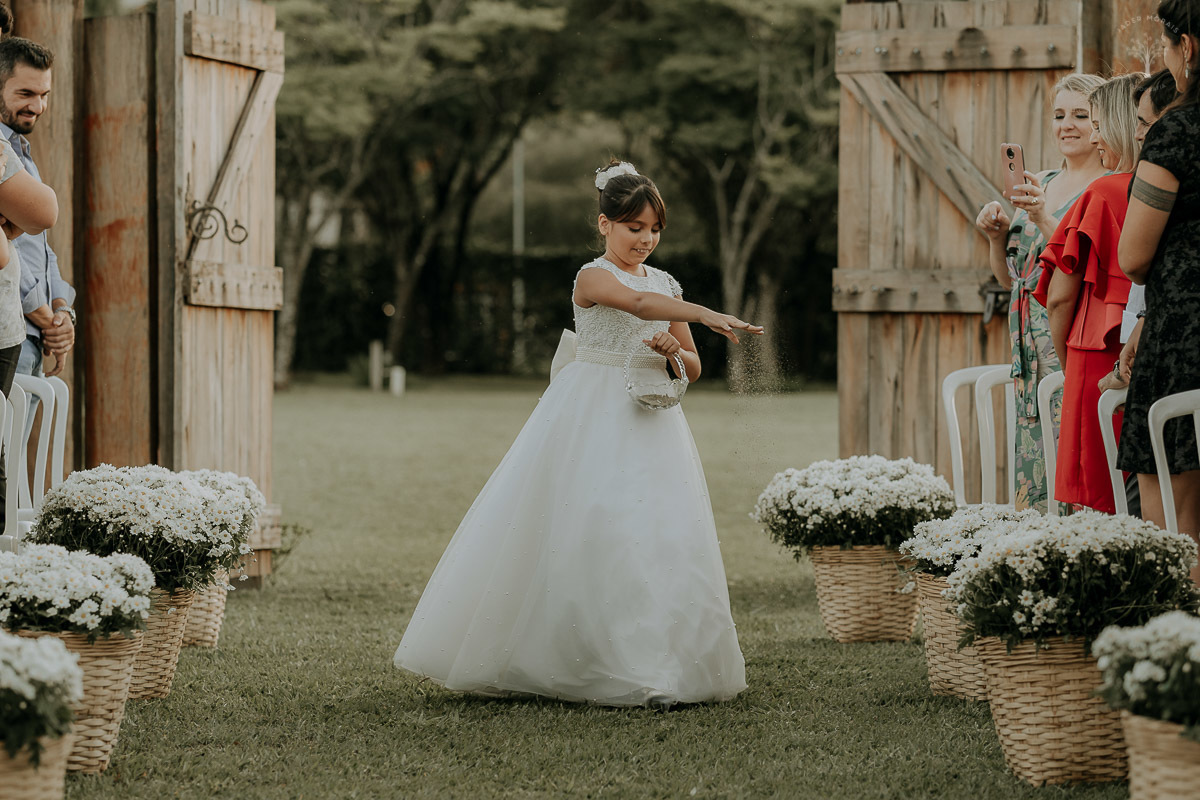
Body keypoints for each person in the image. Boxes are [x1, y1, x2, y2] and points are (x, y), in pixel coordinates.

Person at [394, 161, 759, 706]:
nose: (646, 239)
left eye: (654, 229)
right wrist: (706, 312)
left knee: (654, 533)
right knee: (592, 523)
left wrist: (672, 352)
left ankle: (654, 661)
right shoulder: (592, 277)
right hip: (591, 412)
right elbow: (635, 306)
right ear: (604, 224)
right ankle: (572, 659)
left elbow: (694, 366)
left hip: (652, 420)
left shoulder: (667, 284)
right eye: (634, 227)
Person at [974, 73, 1106, 513]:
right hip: (1026, 352)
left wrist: (1046, 218)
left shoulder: (1105, 187)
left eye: (1081, 115)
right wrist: (995, 237)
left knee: (1075, 460)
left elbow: (1088, 268)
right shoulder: (1040, 181)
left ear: (1103, 120)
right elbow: (1012, 277)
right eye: (1059, 115)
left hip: (1069, 340)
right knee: (1033, 469)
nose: (1067, 125)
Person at [1033, 73, 1145, 514]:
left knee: (1101, 502)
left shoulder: (1102, 191)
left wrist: (1067, 364)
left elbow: (1059, 296)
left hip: (1093, 352)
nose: (1094, 137)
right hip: (1141, 345)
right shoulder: (1165, 189)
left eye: (1096, 123)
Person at [1116, 0, 1200, 582]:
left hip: (1185, 343)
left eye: (1168, 47)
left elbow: (1134, 255)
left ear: (1187, 46)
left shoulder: (1176, 130)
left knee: (1175, 528)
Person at [0, 37, 75, 384]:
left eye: (44, 95)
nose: (38, 106)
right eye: (26, 94)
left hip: (31, 336)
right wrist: (48, 320)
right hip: (10, 333)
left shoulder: (21, 151)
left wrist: (63, 311)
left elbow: (41, 249)